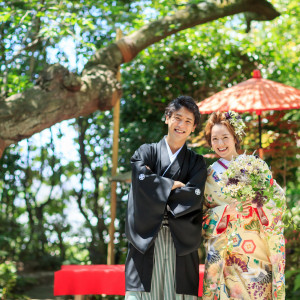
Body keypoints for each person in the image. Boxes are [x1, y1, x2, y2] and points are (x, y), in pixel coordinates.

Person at [125, 96, 207, 300]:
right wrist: (170, 185)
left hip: (180, 240)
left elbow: (194, 195)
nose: (181, 125)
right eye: (177, 118)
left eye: (188, 121)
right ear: (167, 118)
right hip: (145, 240)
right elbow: (139, 182)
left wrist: (155, 188)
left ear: (194, 127)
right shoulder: (145, 152)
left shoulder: (196, 162)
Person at [202, 111, 285, 300]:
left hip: (258, 250)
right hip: (228, 256)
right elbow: (202, 217)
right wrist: (226, 211)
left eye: (225, 137)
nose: (220, 144)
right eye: (215, 139)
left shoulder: (257, 165)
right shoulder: (208, 175)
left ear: (235, 138)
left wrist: (259, 204)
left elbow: (278, 202)